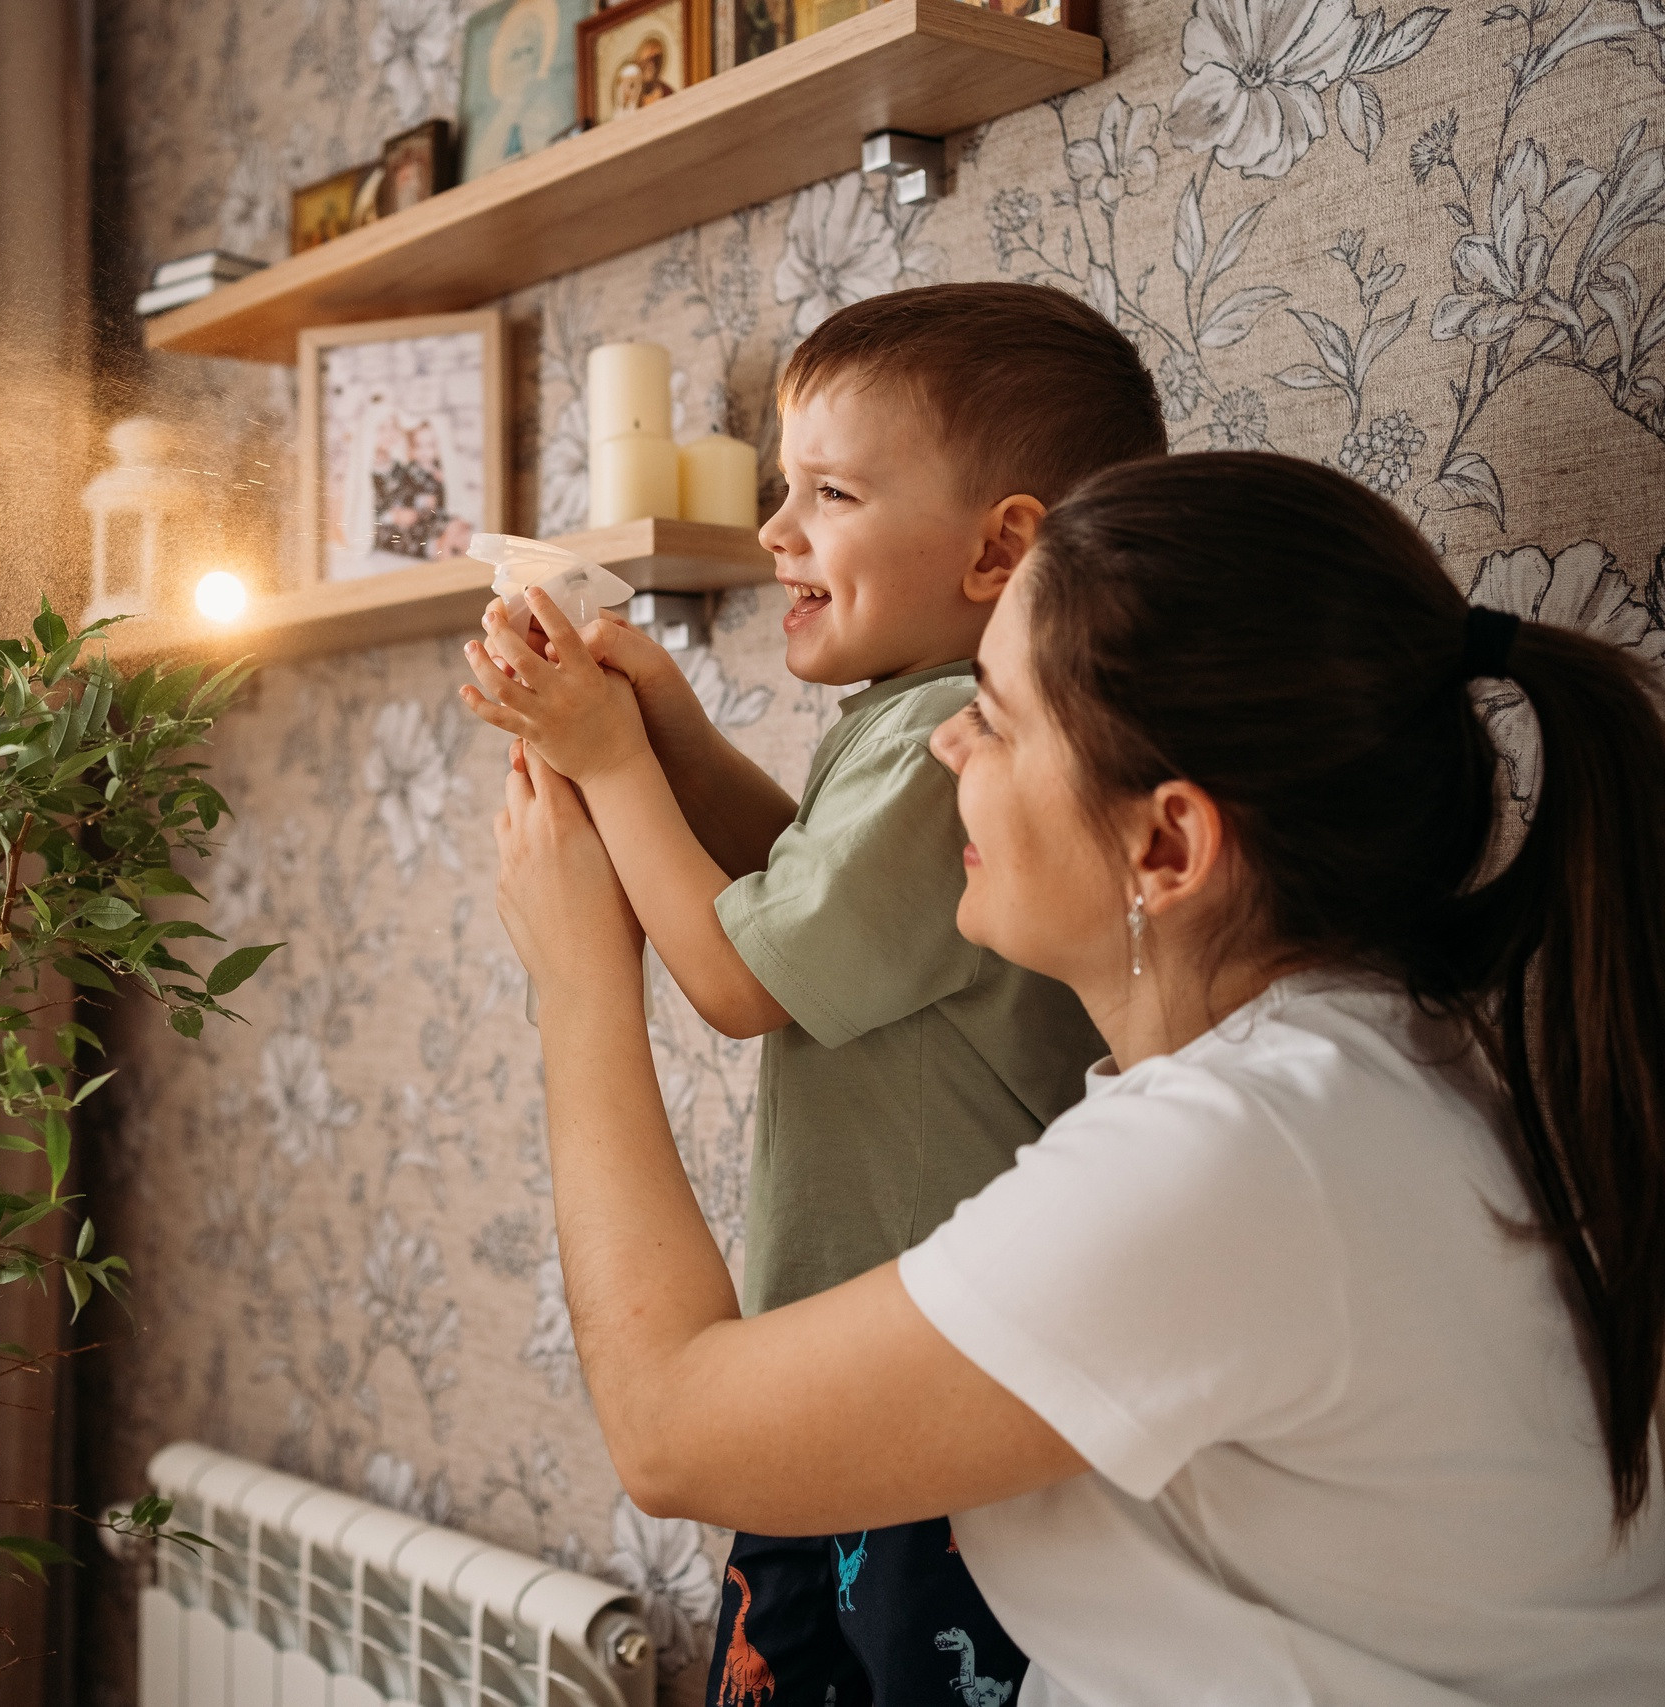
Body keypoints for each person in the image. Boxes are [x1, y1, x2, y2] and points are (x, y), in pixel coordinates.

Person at [491, 451, 1665, 1704]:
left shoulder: (1242, 1154)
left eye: (993, 713)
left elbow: (674, 1434)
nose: (946, 744)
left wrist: (576, 984)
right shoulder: (1362, 1078)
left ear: (1164, 843)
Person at [461, 282, 1165, 1702]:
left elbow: (736, 976)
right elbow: (785, 884)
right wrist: (662, 729)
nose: (777, 531)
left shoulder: (945, 743)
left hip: (919, 1406)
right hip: (856, 1374)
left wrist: (607, 765)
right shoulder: (909, 724)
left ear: (1001, 547)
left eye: (829, 492)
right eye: (782, 487)